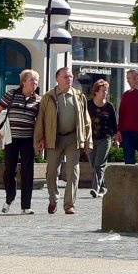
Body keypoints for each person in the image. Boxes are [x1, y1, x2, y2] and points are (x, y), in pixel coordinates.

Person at [34, 67, 92, 215]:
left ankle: (69, 205)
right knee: (52, 171)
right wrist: (40, 139)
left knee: (73, 171)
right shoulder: (49, 97)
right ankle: (53, 199)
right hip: (55, 138)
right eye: (66, 76)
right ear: (57, 79)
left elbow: (86, 120)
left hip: (74, 137)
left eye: (71, 76)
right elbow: (41, 119)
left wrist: (88, 141)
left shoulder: (79, 96)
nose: (69, 79)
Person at [0, 69, 40, 215]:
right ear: (24, 81)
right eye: (32, 80)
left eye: (36, 80)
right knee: (9, 170)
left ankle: (26, 206)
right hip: (11, 138)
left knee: (28, 171)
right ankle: (9, 197)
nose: (35, 83)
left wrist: (41, 139)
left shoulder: (39, 100)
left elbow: (41, 121)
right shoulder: (11, 94)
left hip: (28, 139)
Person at [86, 79, 119, 199]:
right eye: (103, 91)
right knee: (93, 165)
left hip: (105, 138)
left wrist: (116, 138)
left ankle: (94, 189)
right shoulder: (88, 104)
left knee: (99, 164)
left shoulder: (109, 106)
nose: (105, 93)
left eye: (106, 91)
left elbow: (114, 124)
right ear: (96, 92)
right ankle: (102, 187)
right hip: (90, 138)